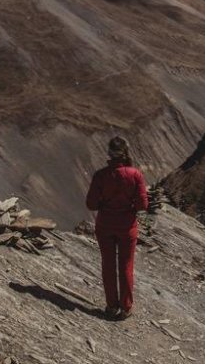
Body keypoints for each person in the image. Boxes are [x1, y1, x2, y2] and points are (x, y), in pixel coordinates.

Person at [85, 136, 148, 320]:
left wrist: (105, 203)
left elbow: (91, 204)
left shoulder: (100, 176)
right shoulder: (135, 175)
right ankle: (126, 307)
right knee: (126, 265)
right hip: (127, 226)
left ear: (110, 154)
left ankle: (112, 306)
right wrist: (130, 206)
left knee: (108, 265)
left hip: (105, 225)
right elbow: (143, 205)